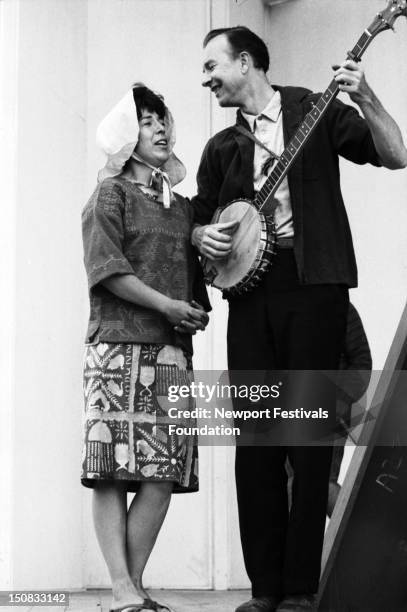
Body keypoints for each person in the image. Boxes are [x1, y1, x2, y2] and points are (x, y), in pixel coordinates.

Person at [191, 26, 407, 612]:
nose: (205, 78)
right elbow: (199, 217)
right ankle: (264, 590)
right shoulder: (221, 149)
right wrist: (199, 234)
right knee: (256, 438)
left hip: (315, 289)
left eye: (212, 65)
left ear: (245, 61)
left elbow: (396, 154)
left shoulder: (313, 109)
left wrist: (366, 98)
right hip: (252, 300)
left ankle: (300, 590)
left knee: (307, 438)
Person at [81, 84, 210, 612]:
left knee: (164, 471)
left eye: (163, 119)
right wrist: (168, 306)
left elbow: (195, 276)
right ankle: (122, 589)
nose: (161, 129)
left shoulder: (180, 208)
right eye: (148, 121)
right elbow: (108, 272)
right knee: (111, 468)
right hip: (115, 349)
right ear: (125, 134)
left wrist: (193, 305)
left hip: (172, 353)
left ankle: (129, 589)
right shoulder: (109, 195)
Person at [286, 302, 373, 518]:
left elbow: (362, 363)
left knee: (321, 484)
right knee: (292, 486)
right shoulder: (285, 306)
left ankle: (361, 539)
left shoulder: (341, 307)